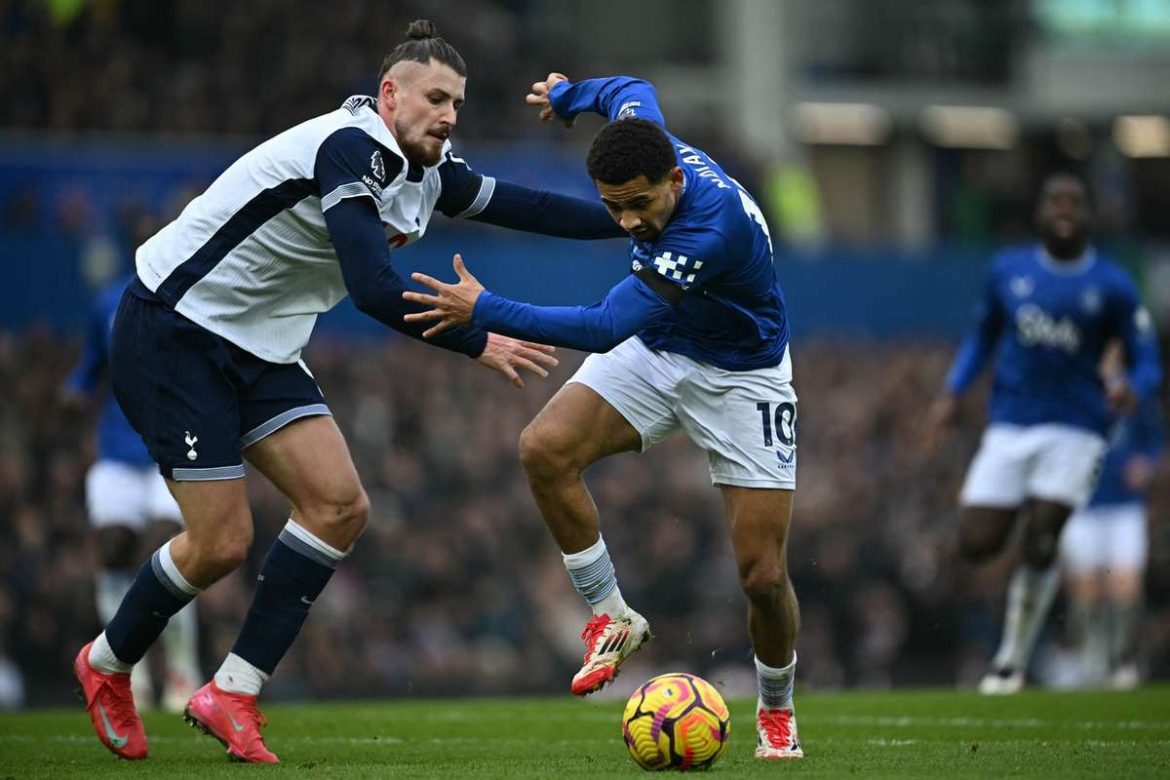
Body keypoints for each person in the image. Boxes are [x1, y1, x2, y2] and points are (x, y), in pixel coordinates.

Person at [72, 21, 625, 764]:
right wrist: (477, 337)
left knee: (339, 507)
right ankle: (106, 662)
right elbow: (371, 288)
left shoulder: (430, 168)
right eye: (435, 99)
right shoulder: (349, 146)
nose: (449, 116)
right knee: (221, 542)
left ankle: (232, 692)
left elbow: (530, 207)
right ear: (390, 95)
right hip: (176, 327)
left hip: (260, 343)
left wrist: (632, 217)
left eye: (457, 103)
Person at [404, 73, 804, 760]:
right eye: (613, 207)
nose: (627, 223)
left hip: (743, 377)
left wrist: (486, 309)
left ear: (674, 180)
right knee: (543, 449)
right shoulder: (640, 134)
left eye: (640, 205)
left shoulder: (709, 229)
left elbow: (603, 326)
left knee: (763, 577)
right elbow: (629, 86)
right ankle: (612, 615)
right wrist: (568, 98)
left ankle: (776, 707)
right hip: (661, 347)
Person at [925, 173, 1161, 695]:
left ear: (1090, 215)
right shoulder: (1008, 271)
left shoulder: (1113, 284)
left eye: (1075, 202)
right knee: (977, 542)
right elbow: (982, 337)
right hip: (1010, 425)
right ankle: (1028, 541)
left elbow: (1147, 358)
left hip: (1078, 427)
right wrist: (953, 391)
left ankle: (1011, 660)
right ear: (1039, 212)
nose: (1064, 210)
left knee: (1046, 530)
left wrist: (1135, 388)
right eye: (1055, 201)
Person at [63, 274, 202, 713]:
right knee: (112, 548)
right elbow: (89, 370)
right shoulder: (110, 303)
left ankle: (181, 668)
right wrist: (72, 395)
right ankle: (129, 671)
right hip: (116, 453)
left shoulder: (193, 295)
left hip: (171, 449)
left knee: (167, 547)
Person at [1059, 366, 1163, 689]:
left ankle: (1123, 659)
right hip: (1082, 504)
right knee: (1086, 587)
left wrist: (1147, 463)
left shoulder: (1135, 394)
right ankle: (1091, 658)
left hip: (1125, 505)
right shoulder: (1073, 389)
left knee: (1126, 582)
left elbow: (1155, 439)